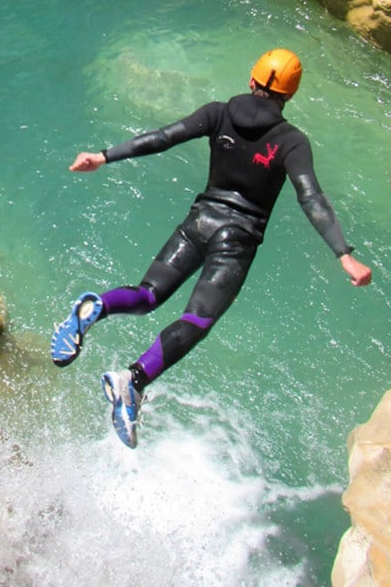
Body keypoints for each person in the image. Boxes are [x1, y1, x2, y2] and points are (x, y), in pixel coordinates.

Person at [51, 48, 372, 449]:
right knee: (197, 320)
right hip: (236, 240)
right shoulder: (291, 142)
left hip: (198, 223)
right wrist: (343, 253)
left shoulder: (216, 113)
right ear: (290, 95)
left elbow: (163, 137)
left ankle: (95, 306)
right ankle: (131, 381)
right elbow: (311, 197)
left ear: (252, 80)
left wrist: (103, 156)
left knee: (147, 295)